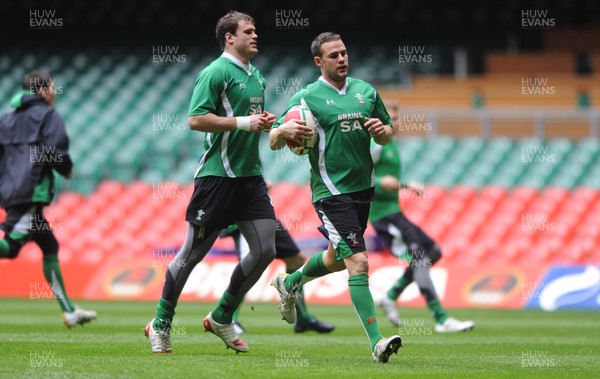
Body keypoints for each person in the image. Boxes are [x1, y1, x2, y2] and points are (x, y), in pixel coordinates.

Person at [145, 11, 278, 354]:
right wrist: (245, 123)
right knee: (191, 256)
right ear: (229, 37)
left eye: (256, 30)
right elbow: (195, 119)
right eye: (248, 31)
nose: (255, 35)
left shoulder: (257, 76)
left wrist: (270, 126)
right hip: (217, 178)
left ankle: (222, 316)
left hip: (250, 178)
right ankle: (160, 324)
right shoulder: (215, 72)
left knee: (265, 250)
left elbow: (251, 125)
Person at [269, 32, 402, 364]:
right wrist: (282, 132)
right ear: (319, 62)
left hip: (362, 190)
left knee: (333, 258)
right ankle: (377, 342)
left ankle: (290, 282)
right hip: (331, 192)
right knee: (358, 261)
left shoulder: (365, 92)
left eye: (344, 53)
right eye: (334, 55)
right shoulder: (306, 98)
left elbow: (387, 134)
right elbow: (274, 139)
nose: (342, 59)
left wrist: (380, 132)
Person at [0, 71, 97, 328]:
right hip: (31, 190)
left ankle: (69, 311)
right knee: (10, 248)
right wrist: (66, 169)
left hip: (11, 191)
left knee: (49, 246)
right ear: (42, 91)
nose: (55, 92)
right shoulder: (48, 115)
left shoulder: (6, 120)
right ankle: (69, 312)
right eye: (52, 87)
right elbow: (56, 150)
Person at [371, 103, 475, 333]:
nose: (396, 123)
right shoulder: (375, 145)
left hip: (394, 212)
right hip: (383, 216)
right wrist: (389, 184)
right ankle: (441, 319)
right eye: (392, 118)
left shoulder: (390, 144)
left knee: (433, 251)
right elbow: (356, 178)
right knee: (420, 258)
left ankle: (390, 296)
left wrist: (399, 185)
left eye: (397, 118)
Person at [220, 219, 335, 334]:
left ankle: (303, 320)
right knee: (249, 267)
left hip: (266, 216)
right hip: (246, 218)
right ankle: (227, 320)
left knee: (295, 260)